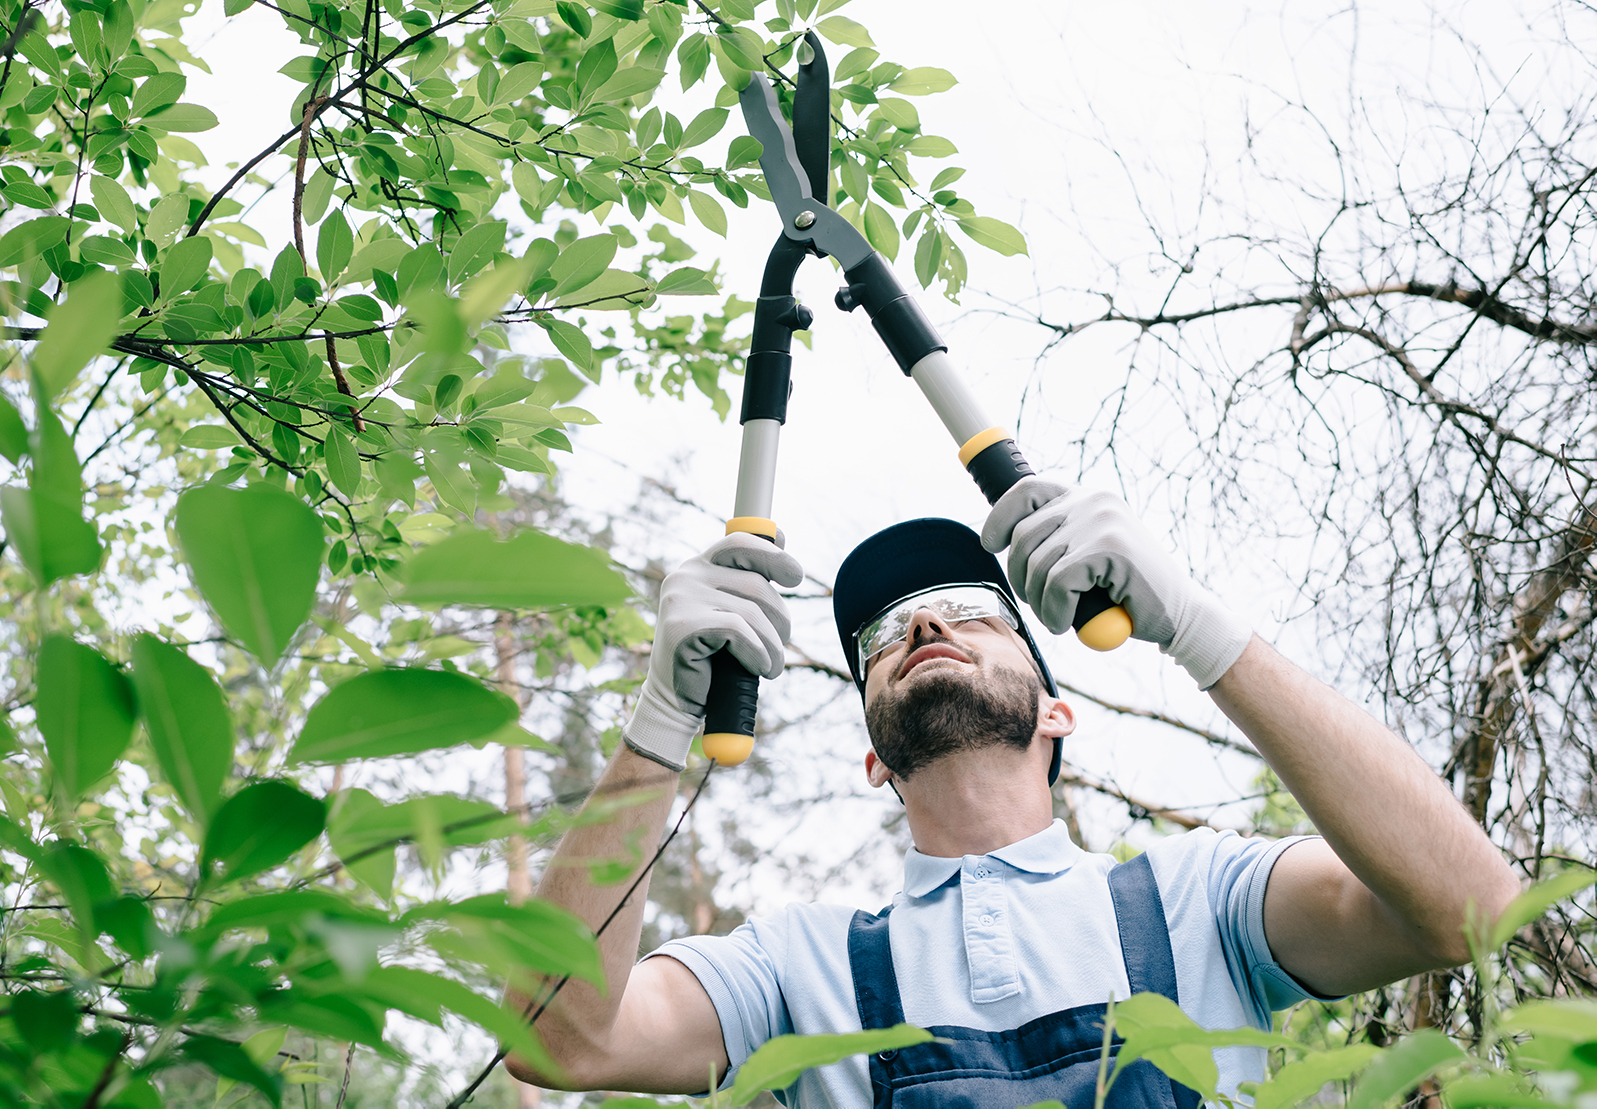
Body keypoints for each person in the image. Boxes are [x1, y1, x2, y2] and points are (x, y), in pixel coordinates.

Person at [507, 478, 1518, 1107]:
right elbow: (558, 1041)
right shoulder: (796, 965)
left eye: (969, 615)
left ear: (1055, 713)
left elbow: (1469, 905)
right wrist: (656, 722)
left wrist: (1196, 624)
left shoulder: (1202, 900)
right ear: (875, 762)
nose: (921, 626)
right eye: (883, 638)